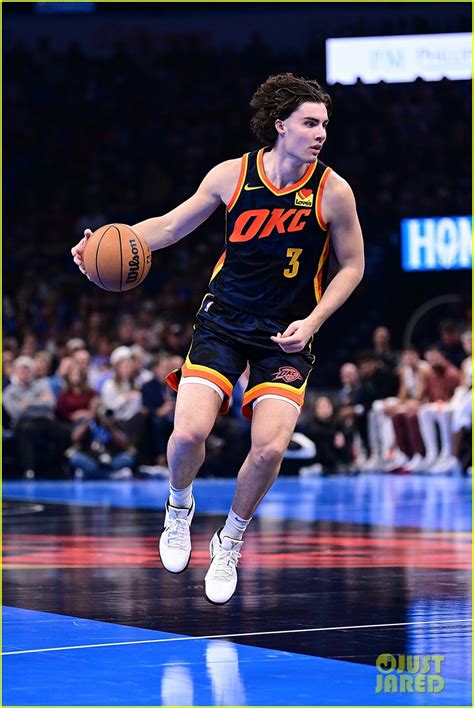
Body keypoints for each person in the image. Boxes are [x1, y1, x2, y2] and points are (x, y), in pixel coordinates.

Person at [72, 73, 364, 603]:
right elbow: (168, 227)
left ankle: (229, 540)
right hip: (223, 321)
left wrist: (314, 321)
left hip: (285, 333)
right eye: (310, 122)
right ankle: (178, 506)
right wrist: (104, 245)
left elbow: (352, 266)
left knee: (269, 449)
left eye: (325, 123)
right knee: (188, 435)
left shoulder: (333, 191)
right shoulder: (233, 175)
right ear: (280, 126)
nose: (321, 132)